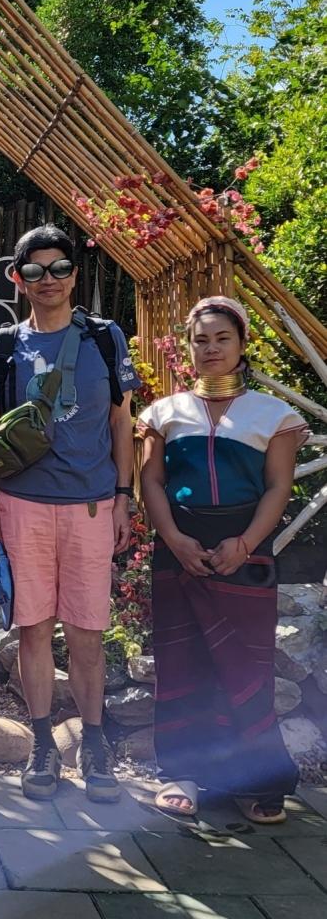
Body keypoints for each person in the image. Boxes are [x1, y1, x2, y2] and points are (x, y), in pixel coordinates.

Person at [0, 225, 140, 803]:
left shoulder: (104, 338)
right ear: (17, 279)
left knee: (89, 632)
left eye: (60, 268)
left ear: (74, 275)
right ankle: (43, 744)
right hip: (24, 505)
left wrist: (124, 497)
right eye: (35, 270)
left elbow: (122, 423)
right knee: (35, 628)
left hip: (91, 505)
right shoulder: (3, 346)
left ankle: (94, 746)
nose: (48, 279)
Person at [139, 295, 307, 823]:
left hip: (246, 551)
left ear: (241, 344)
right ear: (187, 348)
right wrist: (173, 538)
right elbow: (151, 481)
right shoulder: (164, 414)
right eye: (201, 340)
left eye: (222, 338)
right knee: (181, 662)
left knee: (243, 664)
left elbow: (279, 486)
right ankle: (181, 773)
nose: (211, 348)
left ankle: (253, 778)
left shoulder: (273, 415)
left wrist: (247, 542)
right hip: (179, 549)